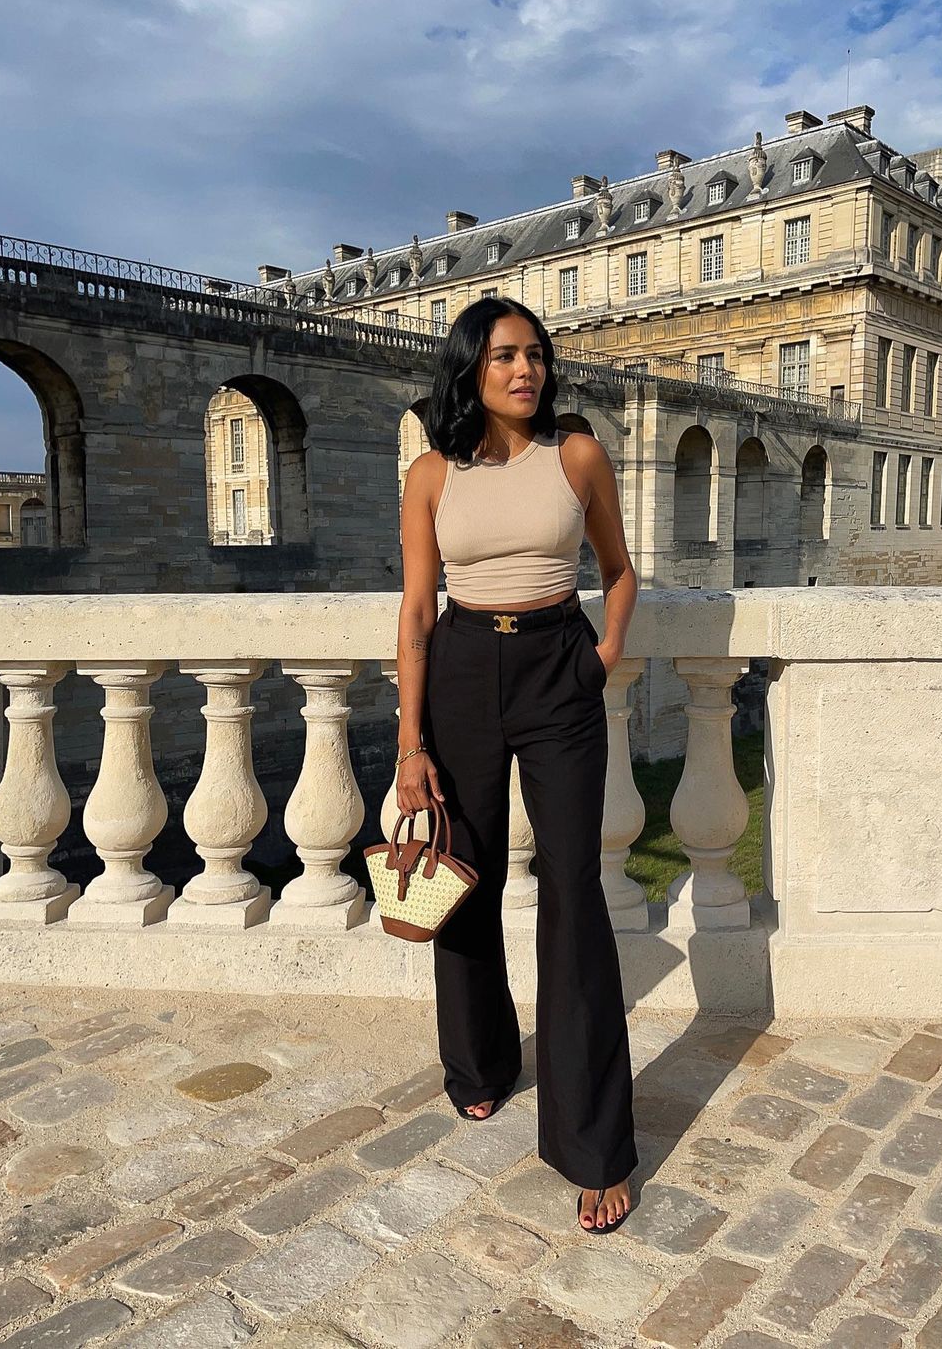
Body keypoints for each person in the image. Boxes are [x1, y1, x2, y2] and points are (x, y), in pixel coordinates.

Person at [395, 296, 639, 1233]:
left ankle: (595, 1146)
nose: (525, 370)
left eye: (535, 354)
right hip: (461, 669)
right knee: (467, 873)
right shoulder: (431, 475)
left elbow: (618, 569)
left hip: (556, 666)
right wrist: (410, 743)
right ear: (471, 368)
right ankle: (479, 1063)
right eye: (504, 356)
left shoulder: (574, 455)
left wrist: (603, 655)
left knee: (574, 892)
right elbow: (418, 611)